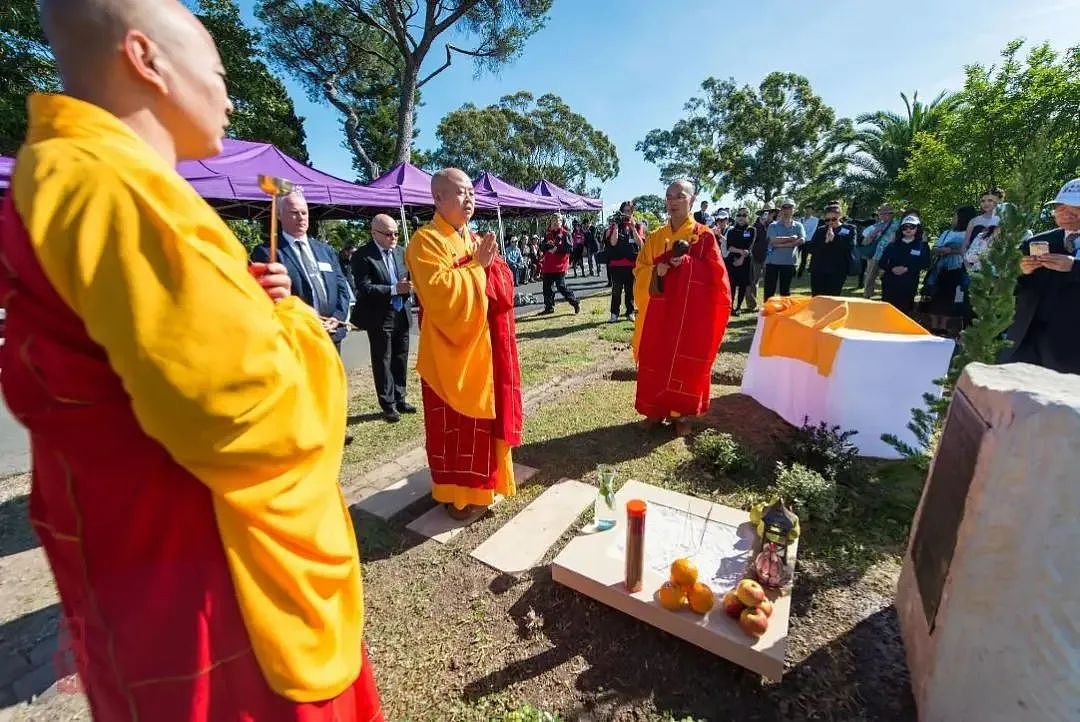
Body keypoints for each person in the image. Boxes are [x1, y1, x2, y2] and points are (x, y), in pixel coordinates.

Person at [0, 1, 382, 720]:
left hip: (150, 555)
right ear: (147, 60)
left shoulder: (79, 173)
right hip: (211, 571)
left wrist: (253, 302)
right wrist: (299, 326)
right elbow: (252, 418)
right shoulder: (109, 184)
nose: (229, 92)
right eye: (218, 68)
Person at [404, 168, 523, 519]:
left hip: (481, 347)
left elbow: (500, 281)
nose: (469, 198)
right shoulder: (425, 242)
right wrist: (477, 267)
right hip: (448, 352)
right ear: (438, 198)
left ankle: (485, 487)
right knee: (453, 429)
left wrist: (487, 265)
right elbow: (441, 295)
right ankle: (456, 495)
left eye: (471, 192)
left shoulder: (471, 238)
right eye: (460, 193)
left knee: (482, 427)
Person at [633, 181, 732, 436]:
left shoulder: (703, 236)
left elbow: (716, 279)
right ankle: (654, 410)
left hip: (690, 314)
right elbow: (640, 270)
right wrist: (658, 270)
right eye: (669, 196)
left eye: (680, 196)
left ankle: (682, 415)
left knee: (685, 362)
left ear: (692, 199)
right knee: (655, 358)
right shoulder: (656, 237)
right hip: (659, 312)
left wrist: (687, 265)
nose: (673, 201)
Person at [1005, 178, 1080, 374]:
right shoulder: (1037, 241)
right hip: (1030, 338)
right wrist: (1021, 271)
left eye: (1074, 208)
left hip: (1072, 345)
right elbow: (1007, 285)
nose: (1065, 214)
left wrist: (1074, 266)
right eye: (1060, 207)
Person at [351, 214, 416, 423]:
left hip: (401, 312)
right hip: (379, 315)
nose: (393, 237)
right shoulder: (363, 255)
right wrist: (393, 289)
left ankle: (400, 398)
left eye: (396, 233)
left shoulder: (401, 252)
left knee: (401, 356)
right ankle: (388, 404)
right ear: (374, 233)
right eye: (388, 234)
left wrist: (409, 288)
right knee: (383, 359)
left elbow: (409, 277)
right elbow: (365, 288)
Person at [924, 205, 978, 315]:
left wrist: (951, 250)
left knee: (958, 298)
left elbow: (971, 250)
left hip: (961, 270)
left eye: (955, 216)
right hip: (942, 270)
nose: (953, 219)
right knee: (939, 297)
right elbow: (934, 249)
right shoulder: (946, 233)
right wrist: (940, 250)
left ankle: (954, 323)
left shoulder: (972, 234)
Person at [879, 214, 931, 315]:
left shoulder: (921, 245)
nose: (908, 229)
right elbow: (882, 262)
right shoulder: (893, 245)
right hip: (891, 282)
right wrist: (892, 269)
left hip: (909, 283)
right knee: (887, 311)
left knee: (904, 312)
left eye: (912, 226)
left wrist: (908, 269)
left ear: (917, 228)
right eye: (905, 227)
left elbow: (925, 263)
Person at [803, 203, 855, 296]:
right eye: (827, 220)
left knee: (833, 298)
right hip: (818, 269)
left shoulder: (849, 229)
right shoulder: (820, 230)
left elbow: (849, 247)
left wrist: (834, 239)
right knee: (817, 298)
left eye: (834, 219)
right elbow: (811, 248)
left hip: (838, 271)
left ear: (840, 216)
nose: (830, 222)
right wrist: (825, 242)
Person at [605, 201, 641, 322]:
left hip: (631, 264)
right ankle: (614, 313)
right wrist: (615, 226)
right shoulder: (616, 225)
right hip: (616, 265)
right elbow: (613, 242)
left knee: (630, 291)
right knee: (616, 290)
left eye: (629, 211)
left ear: (632, 212)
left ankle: (630, 312)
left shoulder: (637, 225)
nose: (627, 214)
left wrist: (633, 228)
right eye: (625, 211)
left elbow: (641, 244)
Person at [538, 216, 580, 314]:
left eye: (557, 220)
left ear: (561, 222)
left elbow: (570, 248)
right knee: (547, 288)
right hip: (548, 266)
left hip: (560, 266)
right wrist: (547, 246)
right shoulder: (547, 234)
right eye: (553, 221)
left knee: (561, 287)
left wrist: (557, 249)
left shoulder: (566, 234)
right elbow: (542, 247)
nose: (555, 222)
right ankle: (549, 307)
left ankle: (574, 302)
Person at [764, 200, 806, 299]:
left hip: (789, 262)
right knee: (769, 291)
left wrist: (780, 244)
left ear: (794, 210)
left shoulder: (798, 226)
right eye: (784, 208)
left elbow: (802, 240)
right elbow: (773, 241)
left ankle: (783, 313)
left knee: (785, 292)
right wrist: (791, 240)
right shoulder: (773, 225)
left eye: (789, 208)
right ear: (781, 210)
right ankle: (767, 313)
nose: (787, 211)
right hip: (772, 262)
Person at [860, 204, 900, 297]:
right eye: (881, 214)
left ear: (891, 214)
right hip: (874, 256)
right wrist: (873, 233)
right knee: (870, 278)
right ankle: (867, 296)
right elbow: (864, 242)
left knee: (887, 279)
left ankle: (886, 297)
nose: (883, 216)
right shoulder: (874, 226)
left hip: (889, 257)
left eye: (886, 213)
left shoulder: (898, 225)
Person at [724, 208, 756, 315]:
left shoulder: (751, 230)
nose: (741, 217)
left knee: (743, 285)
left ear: (748, 217)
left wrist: (741, 258)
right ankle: (731, 306)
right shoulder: (731, 231)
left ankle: (738, 307)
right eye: (739, 215)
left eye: (744, 215)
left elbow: (749, 247)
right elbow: (729, 247)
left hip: (745, 261)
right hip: (732, 261)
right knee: (732, 284)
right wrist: (739, 252)